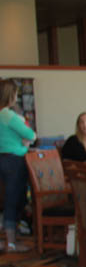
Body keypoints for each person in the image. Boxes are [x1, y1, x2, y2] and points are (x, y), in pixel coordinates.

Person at [0, 80, 36, 253]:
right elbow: (31, 134)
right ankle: (11, 244)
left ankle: (6, 241)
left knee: (4, 199)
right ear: (11, 96)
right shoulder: (7, 115)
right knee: (13, 201)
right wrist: (24, 145)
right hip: (14, 161)